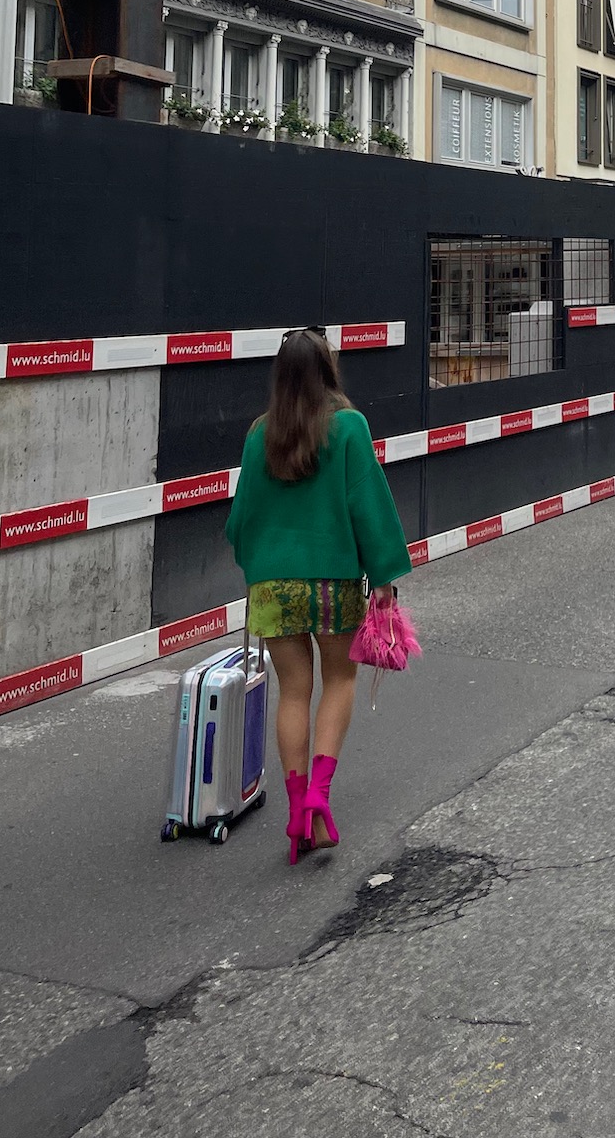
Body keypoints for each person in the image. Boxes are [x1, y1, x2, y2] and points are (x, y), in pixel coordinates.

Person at [226, 328, 412, 866]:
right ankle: (319, 803)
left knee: (292, 693)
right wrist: (383, 577)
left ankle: (293, 813)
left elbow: (240, 520)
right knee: (340, 680)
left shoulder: (260, 434)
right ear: (329, 370)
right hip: (332, 583)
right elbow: (368, 507)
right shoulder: (349, 428)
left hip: (273, 587)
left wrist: (260, 566)